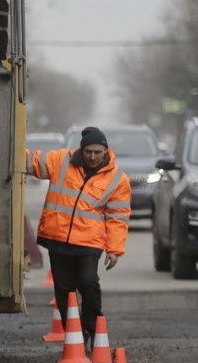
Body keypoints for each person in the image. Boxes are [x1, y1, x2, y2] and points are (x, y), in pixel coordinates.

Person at [27, 126, 132, 350]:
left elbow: (118, 218)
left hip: (88, 242)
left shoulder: (117, 180)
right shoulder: (61, 161)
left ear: (106, 151)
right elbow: (29, 160)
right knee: (63, 290)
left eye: (97, 152)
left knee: (88, 282)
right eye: (88, 152)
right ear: (81, 150)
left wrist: (114, 249)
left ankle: (93, 328)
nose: (93, 157)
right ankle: (75, 335)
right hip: (57, 238)